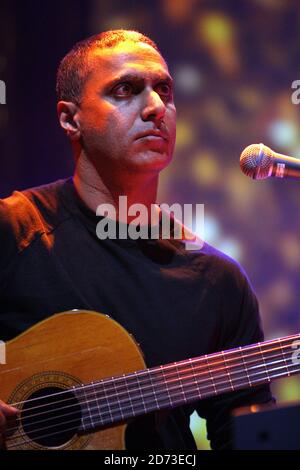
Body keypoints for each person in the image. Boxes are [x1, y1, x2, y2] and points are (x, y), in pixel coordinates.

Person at [0, 29, 273, 450]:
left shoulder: (216, 282)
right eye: (125, 89)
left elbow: (251, 440)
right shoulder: (13, 230)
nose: (155, 107)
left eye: (164, 89)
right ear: (70, 119)